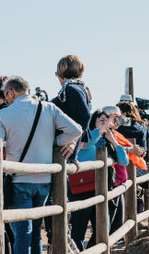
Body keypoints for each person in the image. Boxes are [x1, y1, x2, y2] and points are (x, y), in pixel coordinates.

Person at [0, 76, 82, 254]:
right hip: (44, 179)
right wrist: (55, 142)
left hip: (19, 179)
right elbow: (76, 130)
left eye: (6, 95)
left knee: (23, 233)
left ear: (10, 92)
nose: (6, 99)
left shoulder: (3, 114)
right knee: (35, 234)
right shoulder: (48, 108)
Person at [46, 55, 92, 249]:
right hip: (62, 151)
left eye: (57, 72)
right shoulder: (75, 88)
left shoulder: (72, 89)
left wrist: (72, 142)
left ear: (61, 72)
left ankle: (63, 243)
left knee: (53, 199)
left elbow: (83, 119)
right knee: (53, 199)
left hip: (62, 151)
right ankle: (61, 242)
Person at [69, 109, 128, 250]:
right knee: (78, 231)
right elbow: (88, 143)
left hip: (101, 190)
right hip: (81, 190)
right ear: (93, 121)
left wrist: (113, 140)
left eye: (107, 121)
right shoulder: (84, 137)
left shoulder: (106, 140)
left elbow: (124, 161)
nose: (105, 123)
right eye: (101, 120)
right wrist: (102, 128)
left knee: (103, 230)